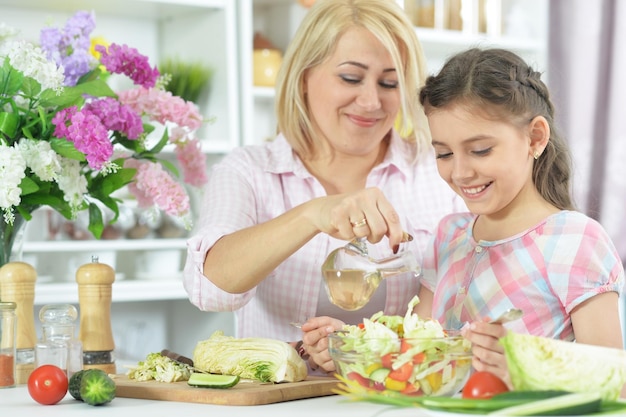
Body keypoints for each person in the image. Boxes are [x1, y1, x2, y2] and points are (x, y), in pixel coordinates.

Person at [182, 0, 464, 369]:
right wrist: (312, 215)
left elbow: (468, 299)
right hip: (281, 403)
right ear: (303, 76)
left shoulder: (437, 169)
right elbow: (210, 289)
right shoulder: (249, 170)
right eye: (350, 78)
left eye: (389, 83)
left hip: (397, 398)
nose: (370, 101)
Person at [410, 47, 625, 387]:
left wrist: (527, 368)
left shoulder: (574, 240)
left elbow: (617, 380)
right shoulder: (449, 235)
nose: (461, 172)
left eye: (481, 150)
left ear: (535, 138)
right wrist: (353, 343)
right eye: (444, 154)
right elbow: (415, 350)